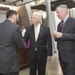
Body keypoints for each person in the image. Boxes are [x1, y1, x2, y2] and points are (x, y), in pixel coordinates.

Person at [0, 10, 25, 75]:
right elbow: (22, 45)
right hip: (11, 65)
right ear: (14, 16)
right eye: (17, 17)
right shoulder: (15, 28)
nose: (18, 19)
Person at [52, 4, 75, 75]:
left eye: (58, 12)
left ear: (64, 11)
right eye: (56, 13)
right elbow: (60, 39)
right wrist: (55, 37)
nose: (57, 14)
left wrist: (62, 35)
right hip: (61, 56)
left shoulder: (73, 21)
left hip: (71, 56)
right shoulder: (59, 24)